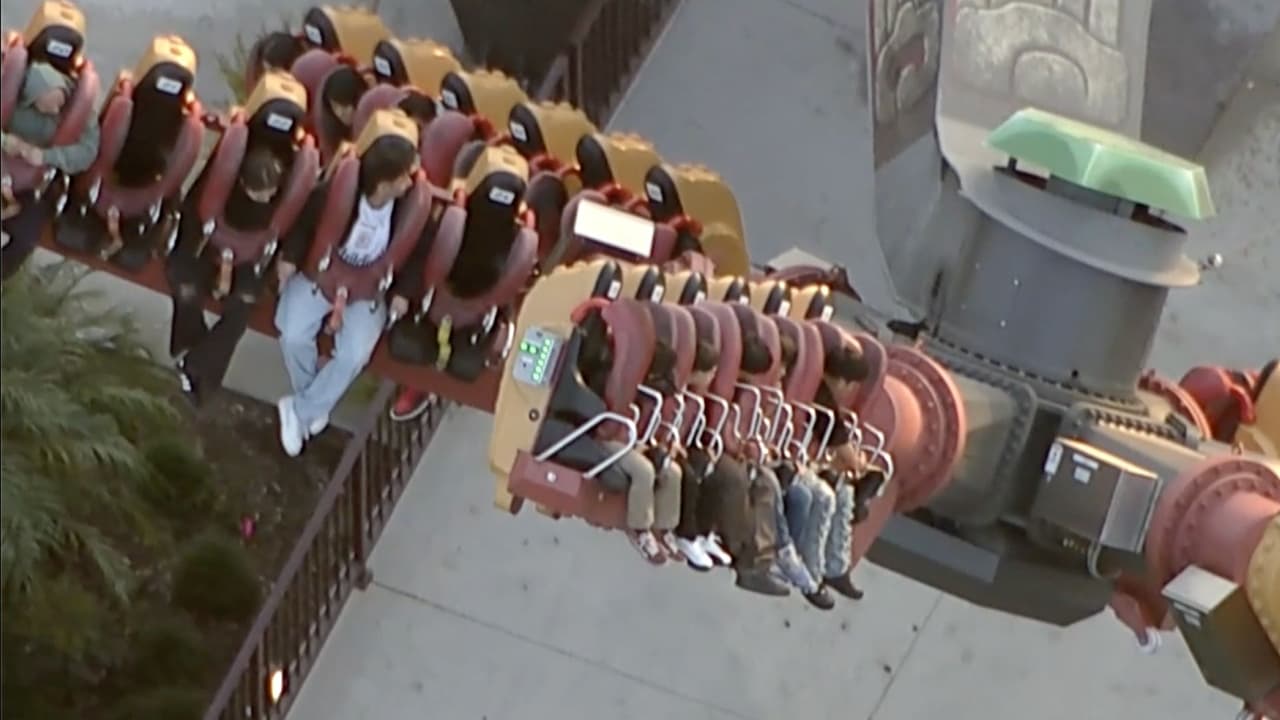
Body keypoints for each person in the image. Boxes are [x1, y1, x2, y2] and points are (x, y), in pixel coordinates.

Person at [273, 131, 420, 456]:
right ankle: (313, 404)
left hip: (368, 287)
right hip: (324, 273)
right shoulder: (337, 192)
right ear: (386, 180)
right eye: (404, 176)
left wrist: (404, 292)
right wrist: (290, 258)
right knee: (293, 334)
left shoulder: (408, 207)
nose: (409, 183)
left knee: (354, 354)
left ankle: (299, 410)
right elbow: (306, 225)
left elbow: (416, 252)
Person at [166, 147, 286, 403]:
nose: (265, 199)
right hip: (209, 248)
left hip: (247, 263)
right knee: (186, 288)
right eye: (258, 193)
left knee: (241, 309)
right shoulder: (220, 187)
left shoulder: (280, 205)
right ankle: (191, 359)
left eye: (270, 193)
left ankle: (194, 366)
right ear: (242, 183)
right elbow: (193, 215)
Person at [575, 307, 684, 564]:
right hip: (605, 438)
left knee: (673, 472)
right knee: (644, 471)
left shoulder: (644, 389)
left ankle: (663, 527)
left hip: (632, 439)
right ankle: (640, 529)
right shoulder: (611, 376)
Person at [1, 61, 100, 280]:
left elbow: (87, 152)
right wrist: (5, 141)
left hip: (35, 182)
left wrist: (47, 156)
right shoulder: (10, 86)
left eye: (58, 104)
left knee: (26, 238)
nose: (55, 111)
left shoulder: (79, 109)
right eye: (47, 107)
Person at [791, 342, 871, 601]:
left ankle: (836, 568)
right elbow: (848, 457)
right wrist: (861, 462)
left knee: (844, 492)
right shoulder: (823, 403)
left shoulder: (813, 387)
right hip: (795, 463)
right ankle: (812, 576)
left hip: (807, 459)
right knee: (825, 497)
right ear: (843, 381)